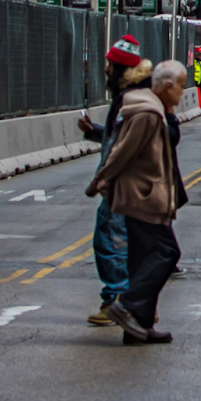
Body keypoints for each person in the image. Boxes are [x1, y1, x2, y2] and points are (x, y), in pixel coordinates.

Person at [91, 60, 188, 344]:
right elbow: (123, 150)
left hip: (143, 194)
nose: (183, 93)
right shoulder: (149, 112)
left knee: (141, 258)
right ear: (167, 87)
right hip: (143, 196)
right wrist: (102, 178)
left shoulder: (152, 108)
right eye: (181, 86)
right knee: (166, 253)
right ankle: (128, 305)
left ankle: (138, 327)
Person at [79, 37, 154, 326]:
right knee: (125, 243)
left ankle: (118, 300)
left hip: (122, 186)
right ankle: (133, 300)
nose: (106, 69)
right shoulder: (129, 96)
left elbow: (124, 146)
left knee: (111, 242)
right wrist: (94, 131)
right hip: (126, 184)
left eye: (110, 64)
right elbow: (117, 138)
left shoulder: (130, 100)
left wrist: (104, 178)